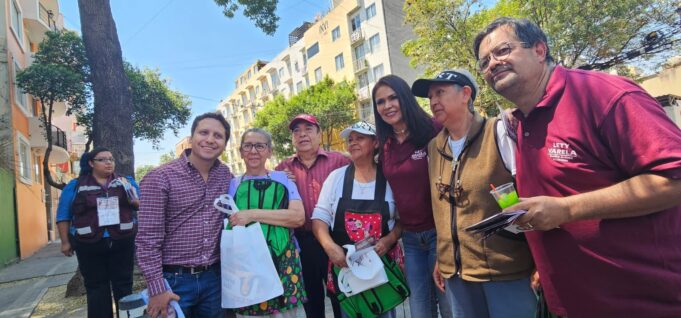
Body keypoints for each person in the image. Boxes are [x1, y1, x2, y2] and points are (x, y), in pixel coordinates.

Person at [473, 17, 681, 317]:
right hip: (573, 302)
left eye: (503, 50)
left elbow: (673, 179)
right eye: (484, 62)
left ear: (540, 50)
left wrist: (567, 209)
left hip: (644, 302)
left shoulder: (602, 95)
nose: (492, 64)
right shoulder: (520, 123)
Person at [412, 69, 536, 318]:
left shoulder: (499, 132)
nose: (433, 101)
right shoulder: (434, 149)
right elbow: (444, 210)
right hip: (456, 274)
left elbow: (530, 197)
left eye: (440, 92)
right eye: (429, 96)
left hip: (505, 270)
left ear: (465, 94)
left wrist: (541, 260)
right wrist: (443, 256)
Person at [136, 112, 233, 318]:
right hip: (173, 281)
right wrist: (157, 288)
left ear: (224, 144)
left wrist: (280, 177)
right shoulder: (160, 177)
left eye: (218, 136)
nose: (209, 139)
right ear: (191, 138)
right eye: (204, 132)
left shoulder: (225, 175)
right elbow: (147, 239)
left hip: (215, 279)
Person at [371, 75, 452, 318]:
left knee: (450, 308)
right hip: (411, 240)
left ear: (405, 97)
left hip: (441, 234)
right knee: (420, 311)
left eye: (393, 97)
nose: (388, 106)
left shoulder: (434, 130)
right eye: (381, 102)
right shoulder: (384, 145)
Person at [311, 121, 406, 318]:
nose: (353, 143)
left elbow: (403, 218)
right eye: (350, 139)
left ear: (375, 143)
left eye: (360, 138)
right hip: (347, 269)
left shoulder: (390, 178)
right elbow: (319, 219)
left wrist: (390, 240)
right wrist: (330, 247)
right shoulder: (335, 178)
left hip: (382, 269)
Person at [275, 114, 350, 318]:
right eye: (296, 131)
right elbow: (276, 205)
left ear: (319, 134)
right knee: (311, 300)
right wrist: (282, 182)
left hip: (335, 238)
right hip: (302, 242)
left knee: (343, 295)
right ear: (292, 139)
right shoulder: (283, 168)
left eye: (308, 129)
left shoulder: (340, 161)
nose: (302, 135)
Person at [227, 128, 306, 317]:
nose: (253, 151)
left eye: (260, 146)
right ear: (241, 151)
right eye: (248, 146)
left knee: (286, 312)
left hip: (283, 260)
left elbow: (298, 217)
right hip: (246, 265)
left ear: (269, 151)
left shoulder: (284, 180)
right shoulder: (232, 184)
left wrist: (252, 214)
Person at [56, 147, 140, 318]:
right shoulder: (76, 185)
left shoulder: (126, 181)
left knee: (124, 285)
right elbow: (63, 215)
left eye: (111, 159)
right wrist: (65, 242)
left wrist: (133, 199)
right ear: (91, 163)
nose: (109, 162)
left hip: (122, 241)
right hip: (89, 244)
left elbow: (141, 205)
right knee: (96, 287)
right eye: (103, 159)